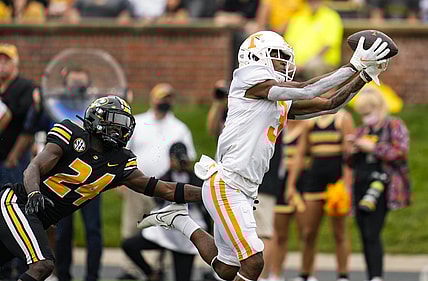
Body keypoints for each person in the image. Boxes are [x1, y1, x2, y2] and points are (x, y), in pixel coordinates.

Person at [138, 30, 392, 281]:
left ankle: (181, 220)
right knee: (253, 262)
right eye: (277, 55)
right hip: (228, 184)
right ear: (254, 57)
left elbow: (330, 105)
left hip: (246, 188)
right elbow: (306, 89)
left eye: (286, 56)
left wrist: (365, 75)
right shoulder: (248, 79)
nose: (285, 62)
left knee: (227, 268)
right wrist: (352, 66)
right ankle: (178, 218)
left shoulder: (276, 99)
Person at [0, 95, 203, 281]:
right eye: (115, 122)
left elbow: (165, 189)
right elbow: (33, 167)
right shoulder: (71, 133)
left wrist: (206, 193)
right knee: (42, 264)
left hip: (38, 218)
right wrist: (34, 192)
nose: (120, 130)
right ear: (97, 118)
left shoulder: (121, 163)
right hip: (17, 204)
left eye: (124, 125)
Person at [117, 83, 197, 280]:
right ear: (153, 99)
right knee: (132, 225)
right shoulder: (139, 122)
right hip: (136, 183)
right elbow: (123, 152)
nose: (164, 101)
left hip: (163, 188)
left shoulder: (179, 128)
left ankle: (154, 270)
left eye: (168, 98)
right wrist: (119, 180)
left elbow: (188, 158)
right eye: (161, 97)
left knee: (157, 227)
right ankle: (132, 270)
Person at [346, 87, 410, 281]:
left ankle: (377, 276)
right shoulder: (363, 131)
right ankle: (371, 275)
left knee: (373, 231)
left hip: (382, 185)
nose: (366, 118)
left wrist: (374, 147)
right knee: (364, 233)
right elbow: (349, 162)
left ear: (379, 107)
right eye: (363, 114)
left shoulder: (394, 126)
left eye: (369, 113)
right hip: (361, 184)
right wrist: (353, 148)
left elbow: (401, 153)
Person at [121, 142, 206, 281]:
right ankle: (151, 274)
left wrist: (189, 171)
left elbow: (204, 199)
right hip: (165, 230)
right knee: (129, 245)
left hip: (186, 234)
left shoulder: (196, 179)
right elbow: (157, 199)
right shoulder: (165, 177)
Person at [289, 109, 354, 281]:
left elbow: (349, 155)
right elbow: (300, 154)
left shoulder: (342, 118)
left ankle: (343, 275)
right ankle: (305, 274)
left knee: (339, 231)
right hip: (314, 181)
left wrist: (347, 185)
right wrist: (291, 184)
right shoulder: (310, 121)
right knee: (308, 231)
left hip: (336, 183)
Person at [54, 68, 103, 281]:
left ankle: (92, 276)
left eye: (81, 85)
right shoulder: (55, 106)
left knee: (93, 229)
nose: (77, 89)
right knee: (64, 231)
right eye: (73, 85)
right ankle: (63, 274)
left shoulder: (94, 109)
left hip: (90, 177)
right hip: (63, 179)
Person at [260, 120, 311, 281]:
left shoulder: (309, 127)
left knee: (306, 233)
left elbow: (300, 157)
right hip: (278, 184)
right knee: (277, 234)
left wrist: (291, 185)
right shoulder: (280, 126)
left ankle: (306, 272)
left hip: (301, 184)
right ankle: (274, 273)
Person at [284, 0, 343, 79]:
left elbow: (328, 45)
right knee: (281, 67)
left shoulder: (331, 17)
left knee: (314, 66)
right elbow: (288, 43)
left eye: (316, 1)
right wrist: (293, 62)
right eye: (310, 1)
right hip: (297, 62)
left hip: (322, 61)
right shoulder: (298, 17)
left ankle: (319, 91)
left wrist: (305, 64)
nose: (313, 2)